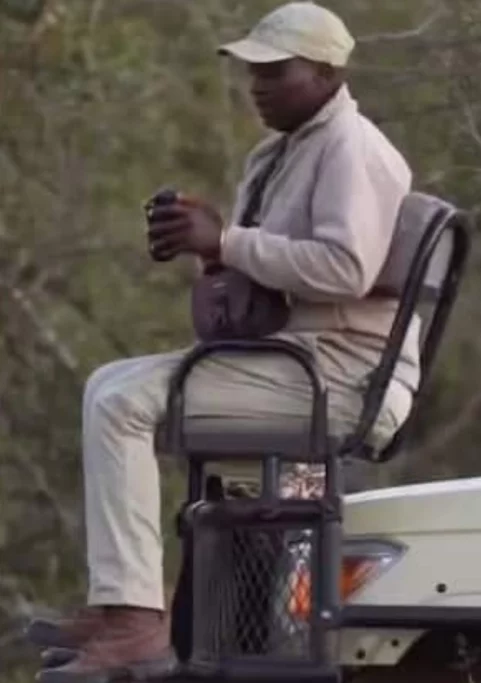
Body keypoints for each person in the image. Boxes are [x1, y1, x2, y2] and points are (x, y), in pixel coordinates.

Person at [24, 2, 418, 680]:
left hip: (340, 376)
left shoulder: (352, 149)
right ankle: (123, 601)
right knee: (106, 383)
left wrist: (227, 240)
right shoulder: (281, 151)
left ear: (327, 71)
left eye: (275, 72)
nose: (257, 86)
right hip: (294, 359)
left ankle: (136, 622)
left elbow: (344, 268)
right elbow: (269, 273)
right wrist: (204, 245)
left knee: (122, 403)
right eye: (252, 73)